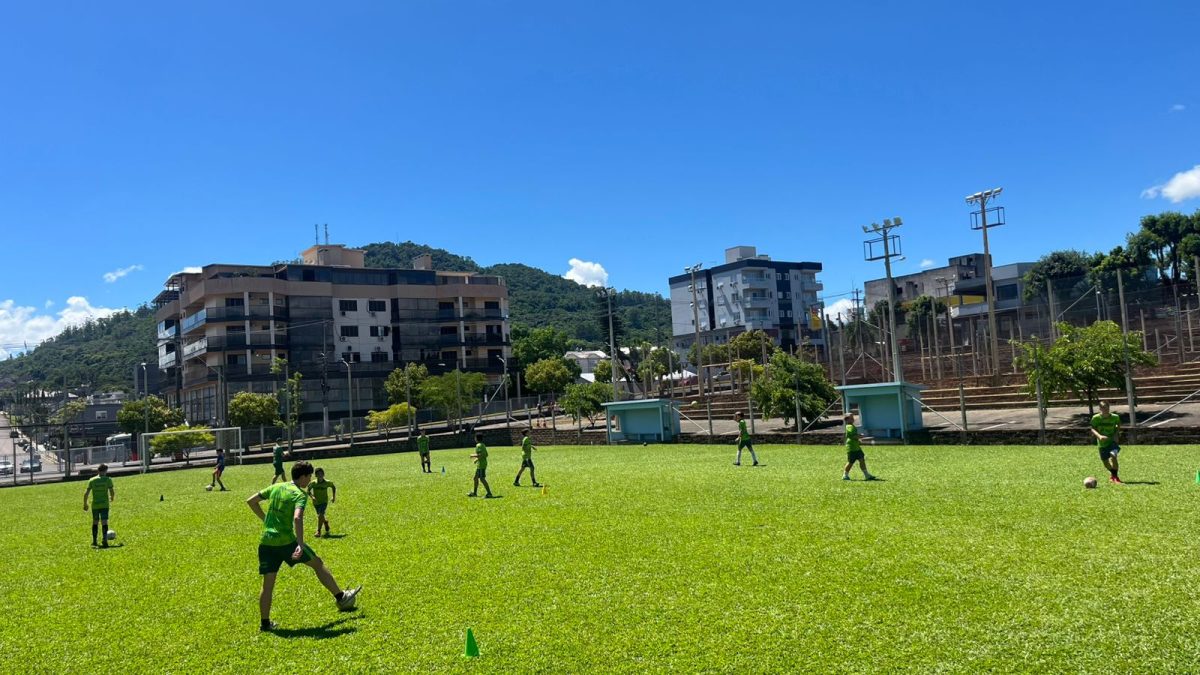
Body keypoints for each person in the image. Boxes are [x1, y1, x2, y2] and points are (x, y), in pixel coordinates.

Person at [246, 461, 361, 631]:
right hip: (287, 542)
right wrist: (300, 544)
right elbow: (297, 518)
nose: (310, 480)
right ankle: (341, 597)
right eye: (309, 477)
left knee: (268, 584)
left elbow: (251, 501)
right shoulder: (300, 494)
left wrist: (266, 521)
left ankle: (265, 624)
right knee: (317, 563)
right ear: (303, 476)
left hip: (266, 542)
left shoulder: (277, 487)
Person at [83, 464, 115, 548]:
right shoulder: (108, 480)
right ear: (105, 471)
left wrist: (85, 503)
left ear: (98, 471)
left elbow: (86, 493)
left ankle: (94, 541)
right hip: (104, 504)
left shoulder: (92, 480)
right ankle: (104, 539)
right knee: (104, 521)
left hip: (95, 505)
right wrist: (112, 497)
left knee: (95, 522)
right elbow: (111, 491)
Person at [1090, 400, 1122, 484]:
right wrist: (1099, 436)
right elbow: (1092, 428)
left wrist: (1116, 434)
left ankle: (1116, 477)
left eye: (1106, 408)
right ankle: (1113, 475)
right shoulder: (1096, 418)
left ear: (1109, 408)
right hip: (1102, 444)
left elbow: (1118, 425)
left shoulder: (1115, 417)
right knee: (1105, 463)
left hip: (1112, 441)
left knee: (1113, 455)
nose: (1105, 410)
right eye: (1103, 408)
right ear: (1100, 408)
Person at [843, 413, 877, 481]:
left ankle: (867, 475)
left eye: (853, 418)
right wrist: (860, 436)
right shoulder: (849, 426)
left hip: (857, 447)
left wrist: (858, 437)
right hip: (852, 448)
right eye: (851, 418)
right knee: (850, 462)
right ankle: (845, 475)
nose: (853, 419)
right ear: (846, 420)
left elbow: (854, 435)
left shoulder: (851, 426)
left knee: (862, 460)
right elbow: (851, 436)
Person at [307, 468, 336, 537]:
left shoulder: (327, 482)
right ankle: (325, 522)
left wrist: (333, 497)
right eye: (318, 474)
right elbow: (308, 491)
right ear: (316, 475)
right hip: (316, 503)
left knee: (320, 515)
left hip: (324, 502)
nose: (320, 475)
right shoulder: (313, 483)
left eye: (321, 473)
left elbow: (333, 487)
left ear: (323, 474)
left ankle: (318, 531)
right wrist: (312, 497)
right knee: (320, 516)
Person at [468, 432, 494, 498]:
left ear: (476, 438)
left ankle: (489, 493)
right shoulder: (483, 445)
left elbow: (481, 455)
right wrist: (477, 460)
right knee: (475, 478)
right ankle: (474, 493)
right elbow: (486, 454)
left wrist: (473, 455)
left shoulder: (478, 445)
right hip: (481, 464)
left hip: (482, 465)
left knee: (482, 479)